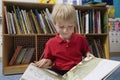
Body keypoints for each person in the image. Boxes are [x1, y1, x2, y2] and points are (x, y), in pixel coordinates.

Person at [34, 3, 94, 75]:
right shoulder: (50, 43)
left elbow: (85, 51)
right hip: (59, 72)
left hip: (77, 70)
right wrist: (46, 62)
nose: (66, 30)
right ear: (54, 24)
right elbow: (50, 59)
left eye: (70, 26)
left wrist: (88, 54)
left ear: (74, 24)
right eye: (61, 27)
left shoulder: (81, 39)